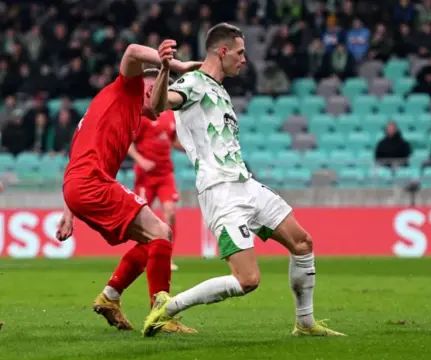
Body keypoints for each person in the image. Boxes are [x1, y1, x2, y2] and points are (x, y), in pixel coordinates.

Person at [141, 23, 345, 337]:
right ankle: (166, 308)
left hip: (245, 183)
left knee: (303, 243)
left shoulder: (218, 89)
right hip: (220, 191)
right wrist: (166, 68)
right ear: (222, 51)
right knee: (248, 280)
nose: (245, 59)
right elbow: (157, 106)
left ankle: (305, 324)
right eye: (240, 52)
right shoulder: (192, 83)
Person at [56, 40, 201, 332]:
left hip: (78, 185)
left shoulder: (113, 109)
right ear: (148, 89)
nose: (162, 109)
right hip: (90, 183)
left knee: (152, 239)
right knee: (162, 232)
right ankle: (162, 313)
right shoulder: (127, 90)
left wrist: (69, 209)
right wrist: (173, 65)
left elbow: (77, 156)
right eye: (160, 97)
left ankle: (110, 296)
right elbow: (133, 51)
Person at [127, 84, 183, 272]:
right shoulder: (143, 117)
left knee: (171, 212)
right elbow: (128, 143)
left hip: (165, 173)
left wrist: (192, 148)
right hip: (145, 176)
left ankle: (167, 257)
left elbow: (173, 140)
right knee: (142, 218)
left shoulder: (170, 116)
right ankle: (143, 255)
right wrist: (141, 161)